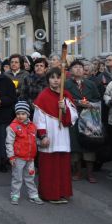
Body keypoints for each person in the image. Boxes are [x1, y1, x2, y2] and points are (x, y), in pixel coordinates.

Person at [33, 67, 77, 203]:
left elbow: (74, 117)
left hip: (62, 136)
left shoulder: (67, 96)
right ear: (48, 80)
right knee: (49, 168)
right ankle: (49, 194)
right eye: (52, 78)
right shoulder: (43, 96)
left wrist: (65, 110)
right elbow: (38, 119)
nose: (56, 80)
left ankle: (62, 192)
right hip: (50, 137)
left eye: (58, 77)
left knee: (62, 167)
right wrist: (43, 136)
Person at [65, 59, 101, 183]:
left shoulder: (90, 84)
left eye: (80, 67)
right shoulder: (66, 84)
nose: (79, 69)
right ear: (70, 71)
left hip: (89, 118)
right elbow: (64, 100)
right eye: (75, 67)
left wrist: (90, 104)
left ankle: (90, 173)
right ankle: (77, 171)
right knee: (75, 145)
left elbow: (97, 98)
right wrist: (77, 102)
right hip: (74, 118)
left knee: (89, 145)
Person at [6, 101, 42, 205]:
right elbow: (9, 142)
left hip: (30, 158)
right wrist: (11, 156)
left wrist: (40, 143)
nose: (20, 116)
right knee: (17, 177)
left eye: (23, 113)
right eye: (18, 114)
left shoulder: (32, 127)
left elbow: (34, 140)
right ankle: (15, 195)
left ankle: (33, 195)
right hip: (18, 157)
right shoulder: (13, 127)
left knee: (30, 177)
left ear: (28, 114)